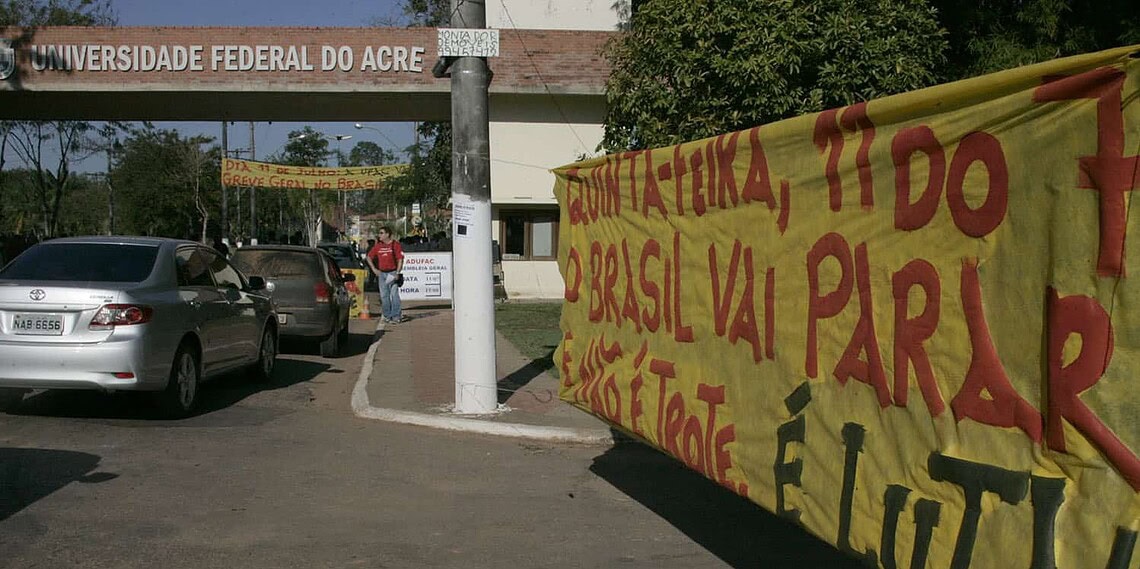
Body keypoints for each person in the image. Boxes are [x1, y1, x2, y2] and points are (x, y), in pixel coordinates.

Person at [365, 226, 409, 324]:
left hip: (392, 273)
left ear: (387, 234)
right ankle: (387, 315)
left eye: (381, 233)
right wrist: (374, 269)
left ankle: (396, 316)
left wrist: (397, 272)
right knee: (384, 296)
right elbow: (369, 257)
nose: (379, 235)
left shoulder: (395, 245)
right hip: (382, 274)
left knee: (394, 294)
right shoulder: (378, 246)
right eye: (379, 233)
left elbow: (400, 259)